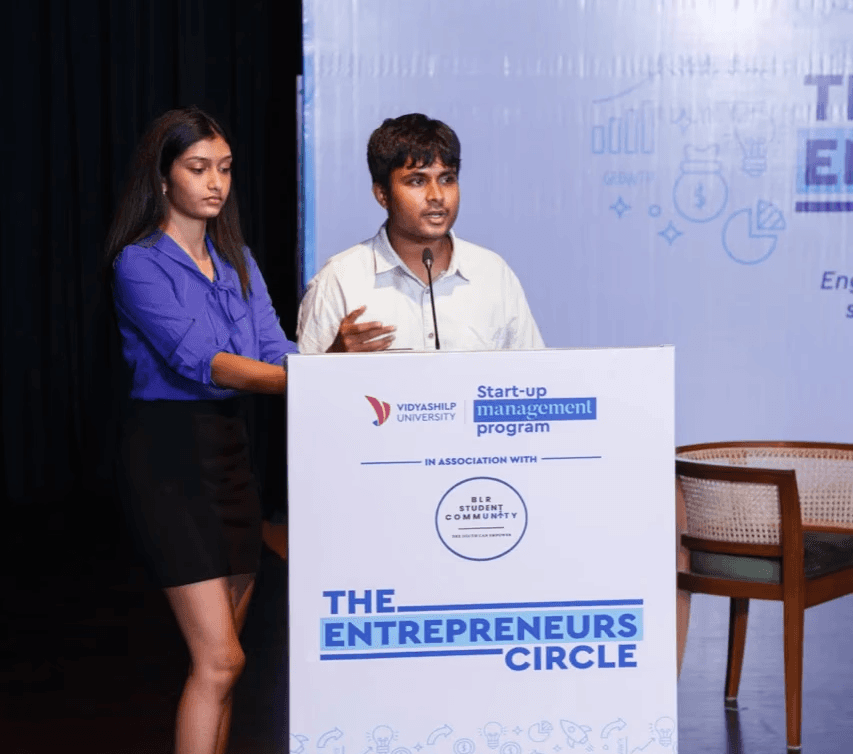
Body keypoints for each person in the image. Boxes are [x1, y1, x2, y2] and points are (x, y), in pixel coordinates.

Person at [105, 106, 297, 754]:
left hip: (229, 455)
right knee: (218, 660)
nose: (216, 182)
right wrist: (303, 384)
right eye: (197, 168)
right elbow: (203, 363)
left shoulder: (236, 259)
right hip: (166, 461)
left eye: (225, 168)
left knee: (228, 663)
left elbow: (275, 350)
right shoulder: (138, 264)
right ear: (162, 179)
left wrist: (334, 364)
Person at [297, 113, 544, 353]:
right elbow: (305, 391)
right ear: (382, 194)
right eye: (417, 181)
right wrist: (333, 359)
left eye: (447, 179)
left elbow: (534, 378)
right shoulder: (340, 279)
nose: (437, 196)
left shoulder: (492, 272)